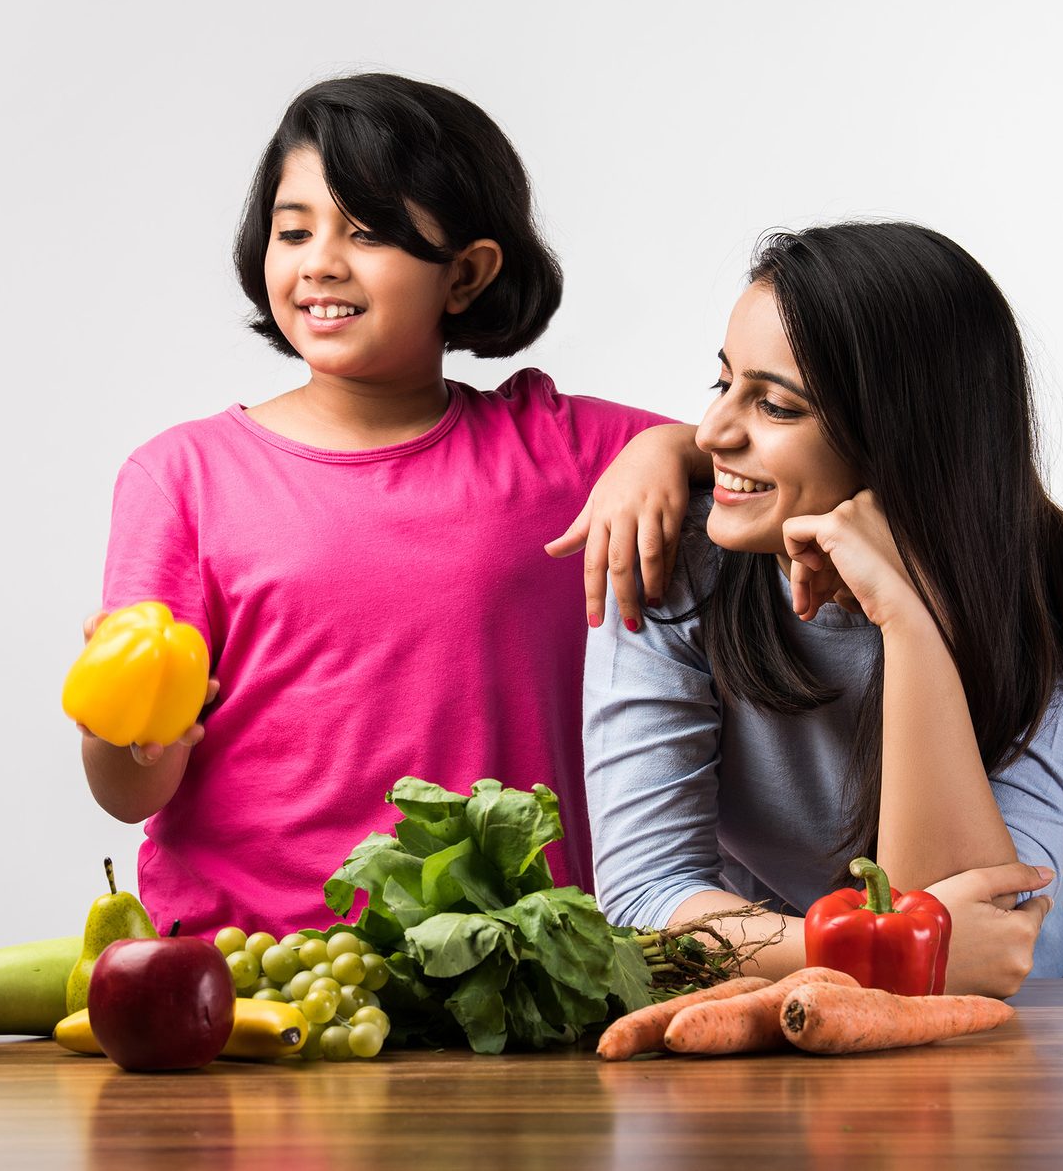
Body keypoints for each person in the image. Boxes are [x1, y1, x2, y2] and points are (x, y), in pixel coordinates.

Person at [77, 73, 707, 937]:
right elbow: (128, 793)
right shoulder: (181, 477)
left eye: (368, 233)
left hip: (518, 976)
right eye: (294, 230)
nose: (320, 262)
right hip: (260, 974)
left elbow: (763, 450)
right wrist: (135, 739)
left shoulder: (564, 453)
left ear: (467, 274)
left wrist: (668, 447)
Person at [585, 222, 1063, 995]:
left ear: (899, 437)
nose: (714, 433)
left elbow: (972, 947)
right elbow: (643, 899)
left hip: (1062, 977)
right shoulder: (676, 562)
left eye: (777, 407)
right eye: (723, 384)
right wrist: (866, 951)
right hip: (809, 972)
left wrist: (905, 619)